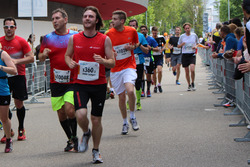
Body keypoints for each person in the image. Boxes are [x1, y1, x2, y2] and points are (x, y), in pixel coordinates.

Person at [65, 6, 115, 163]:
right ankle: (86, 132)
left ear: (97, 20)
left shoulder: (104, 39)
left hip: (99, 84)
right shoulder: (74, 38)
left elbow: (113, 62)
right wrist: (70, 62)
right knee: (80, 114)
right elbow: (67, 55)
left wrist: (103, 61)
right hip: (80, 83)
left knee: (96, 120)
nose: (87, 18)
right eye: (85, 16)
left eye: (91, 16)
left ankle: (96, 150)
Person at [38, 8, 78, 152]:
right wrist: (44, 53)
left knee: (70, 109)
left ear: (65, 20)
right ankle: (70, 139)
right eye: (53, 19)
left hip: (73, 80)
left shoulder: (75, 36)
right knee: (61, 113)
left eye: (57, 18)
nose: (54, 21)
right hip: (56, 81)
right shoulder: (48, 38)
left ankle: (76, 139)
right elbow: (40, 57)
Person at [0, 17, 34, 142]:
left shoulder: (21, 41)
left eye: (11, 27)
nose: (9, 29)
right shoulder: (0, 41)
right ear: (3, 28)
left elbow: (31, 58)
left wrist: (15, 61)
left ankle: (21, 128)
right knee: (4, 105)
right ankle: (8, 131)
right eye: (6, 27)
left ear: (15, 28)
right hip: (3, 77)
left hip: (18, 75)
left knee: (19, 104)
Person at [106, 10, 140, 135]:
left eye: (115, 19)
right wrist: (111, 54)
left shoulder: (132, 31)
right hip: (115, 69)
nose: (112, 21)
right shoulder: (108, 34)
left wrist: (133, 47)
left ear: (122, 21)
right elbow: (106, 50)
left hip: (129, 66)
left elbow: (136, 43)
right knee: (121, 97)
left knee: (130, 90)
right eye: (112, 18)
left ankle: (132, 116)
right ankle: (125, 122)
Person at [0, 43, 17, 153]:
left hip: (2, 90)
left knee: (4, 118)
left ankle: (8, 139)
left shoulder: (3, 54)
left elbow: (14, 70)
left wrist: (1, 67)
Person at [128, 19, 148, 110]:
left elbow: (146, 50)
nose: (132, 27)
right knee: (129, 81)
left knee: (138, 80)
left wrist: (139, 45)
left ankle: (138, 101)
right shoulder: (125, 35)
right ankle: (129, 100)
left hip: (139, 60)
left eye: (134, 25)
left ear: (136, 27)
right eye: (130, 25)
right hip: (128, 60)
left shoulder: (141, 36)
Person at [177, 23, 198, 91]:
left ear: (190, 28)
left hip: (192, 54)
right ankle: (189, 84)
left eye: (188, 28)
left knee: (192, 69)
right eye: (186, 28)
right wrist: (182, 44)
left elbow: (197, 43)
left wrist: (195, 46)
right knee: (186, 71)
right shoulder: (182, 36)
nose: (187, 29)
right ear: (184, 29)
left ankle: (193, 82)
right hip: (185, 54)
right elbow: (178, 46)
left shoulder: (194, 35)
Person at [140, 25, 159, 97]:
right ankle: (142, 90)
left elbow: (157, 49)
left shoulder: (151, 39)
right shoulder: (139, 39)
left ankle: (148, 90)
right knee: (141, 75)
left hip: (149, 59)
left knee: (148, 75)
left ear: (147, 31)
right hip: (141, 59)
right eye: (142, 30)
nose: (143, 31)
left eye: (144, 29)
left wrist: (151, 48)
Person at [151, 26, 166, 93]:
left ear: (157, 32)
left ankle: (159, 84)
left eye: (155, 33)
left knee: (160, 70)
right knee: (154, 73)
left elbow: (165, 44)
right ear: (152, 32)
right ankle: (155, 86)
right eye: (153, 33)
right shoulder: (150, 38)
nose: (155, 34)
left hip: (159, 56)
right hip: (153, 56)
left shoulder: (161, 37)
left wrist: (162, 49)